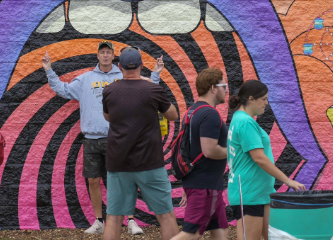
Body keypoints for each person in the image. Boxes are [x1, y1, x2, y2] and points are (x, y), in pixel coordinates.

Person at [42, 40, 163, 235]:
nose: (105, 55)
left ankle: (130, 220)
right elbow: (64, 90)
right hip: (91, 138)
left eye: (109, 52)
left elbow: (146, 87)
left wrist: (156, 73)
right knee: (93, 180)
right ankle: (99, 221)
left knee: (124, 180)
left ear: (114, 56)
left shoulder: (123, 76)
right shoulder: (85, 79)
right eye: (102, 52)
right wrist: (49, 69)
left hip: (119, 138)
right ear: (97, 56)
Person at [101, 47, 179, 240]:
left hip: (118, 163)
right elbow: (173, 115)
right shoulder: (153, 89)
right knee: (167, 216)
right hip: (150, 163)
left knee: (113, 218)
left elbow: (108, 117)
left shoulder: (109, 90)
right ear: (142, 66)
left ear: (119, 67)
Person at [227, 80, 306, 240]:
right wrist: (287, 181)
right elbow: (259, 158)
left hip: (261, 193)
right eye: (263, 99)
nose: (266, 103)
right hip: (249, 193)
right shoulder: (245, 122)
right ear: (251, 99)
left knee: (273, 237)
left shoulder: (241, 119)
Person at [172, 68, 229, 240]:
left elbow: (189, 148)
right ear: (213, 88)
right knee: (191, 234)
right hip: (205, 187)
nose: (227, 90)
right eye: (224, 86)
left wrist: (190, 184)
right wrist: (234, 153)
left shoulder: (193, 111)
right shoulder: (210, 114)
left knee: (220, 231)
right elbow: (209, 150)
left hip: (205, 184)